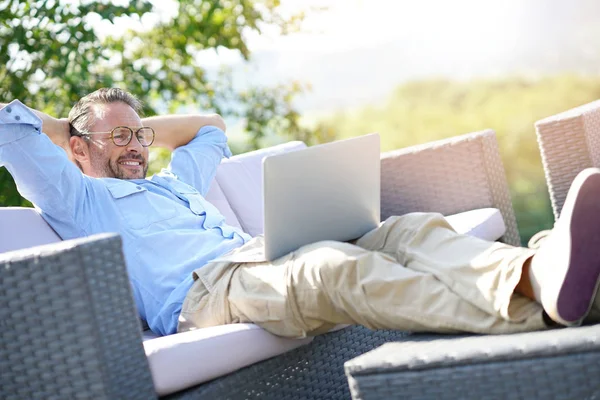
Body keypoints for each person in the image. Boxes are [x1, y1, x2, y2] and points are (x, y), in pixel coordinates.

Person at [1, 88, 599, 338]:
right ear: (76, 150)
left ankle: (535, 276)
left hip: (260, 259)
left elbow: (210, 127)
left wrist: (131, 130)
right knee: (330, 268)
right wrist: (72, 129)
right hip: (201, 297)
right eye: (117, 140)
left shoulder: (171, 182)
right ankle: (533, 322)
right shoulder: (78, 199)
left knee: (403, 228)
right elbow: (8, 126)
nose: (132, 146)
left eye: (139, 136)